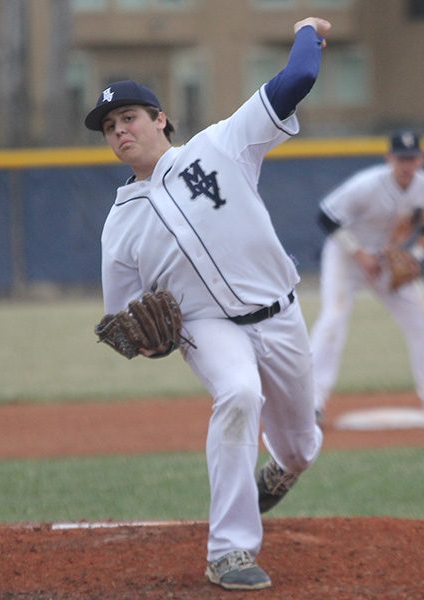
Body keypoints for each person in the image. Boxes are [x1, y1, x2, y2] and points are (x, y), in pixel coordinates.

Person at [84, 17, 331, 592]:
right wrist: (143, 343)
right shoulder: (119, 227)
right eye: (110, 126)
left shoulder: (222, 145)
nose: (120, 131)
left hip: (281, 313)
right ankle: (229, 552)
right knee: (240, 395)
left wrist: (307, 29)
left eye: (130, 118)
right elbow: (120, 323)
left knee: (300, 446)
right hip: (207, 327)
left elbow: (296, 77)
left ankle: (285, 467)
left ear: (160, 118)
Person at [309, 130, 424, 423]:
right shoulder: (366, 185)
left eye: (412, 158)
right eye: (401, 158)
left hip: (387, 262)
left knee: (422, 318)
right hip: (346, 257)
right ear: (389, 158)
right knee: (333, 319)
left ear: (422, 159)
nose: (407, 164)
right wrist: (359, 254)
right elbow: (326, 217)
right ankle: (311, 404)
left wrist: (416, 257)